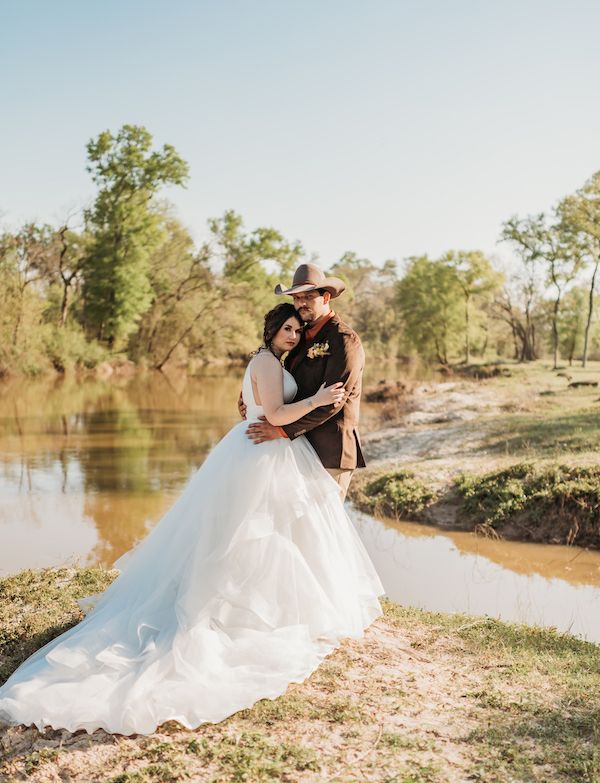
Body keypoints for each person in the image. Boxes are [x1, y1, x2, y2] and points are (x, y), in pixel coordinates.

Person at [0, 303, 384, 737]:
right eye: (287, 329)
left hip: (265, 450)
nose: (294, 335)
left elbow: (265, 402)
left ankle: (269, 601)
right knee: (253, 534)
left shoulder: (283, 357)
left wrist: (266, 403)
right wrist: (312, 399)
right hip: (266, 448)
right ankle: (249, 610)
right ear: (272, 330)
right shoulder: (266, 361)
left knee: (268, 533)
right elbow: (274, 415)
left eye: (297, 329)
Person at [240, 263, 366, 502]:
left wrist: (281, 430)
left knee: (325, 530)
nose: (301, 303)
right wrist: (253, 399)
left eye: (308, 297)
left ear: (326, 297)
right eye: (297, 298)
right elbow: (283, 381)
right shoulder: (299, 337)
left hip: (330, 451)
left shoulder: (344, 340)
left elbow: (333, 402)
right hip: (299, 449)